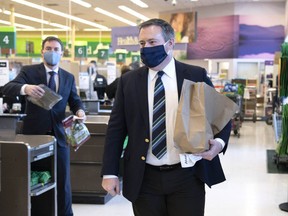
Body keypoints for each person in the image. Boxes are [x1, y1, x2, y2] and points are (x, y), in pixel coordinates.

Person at [101, 18, 231, 216]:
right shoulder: (129, 82)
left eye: (152, 42)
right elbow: (116, 129)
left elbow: (220, 115)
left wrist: (219, 143)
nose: (146, 48)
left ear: (170, 44)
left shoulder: (194, 75)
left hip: (187, 175)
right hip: (144, 177)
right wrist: (109, 172)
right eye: (142, 43)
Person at [2, 36, 86, 216]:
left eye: (56, 49)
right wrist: (26, 88)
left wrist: (80, 111)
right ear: (42, 51)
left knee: (63, 181)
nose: (52, 52)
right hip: (34, 136)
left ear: (62, 53)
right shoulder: (29, 72)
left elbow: (75, 100)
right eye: (49, 48)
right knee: (37, 180)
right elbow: (7, 87)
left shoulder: (68, 77)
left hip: (60, 136)